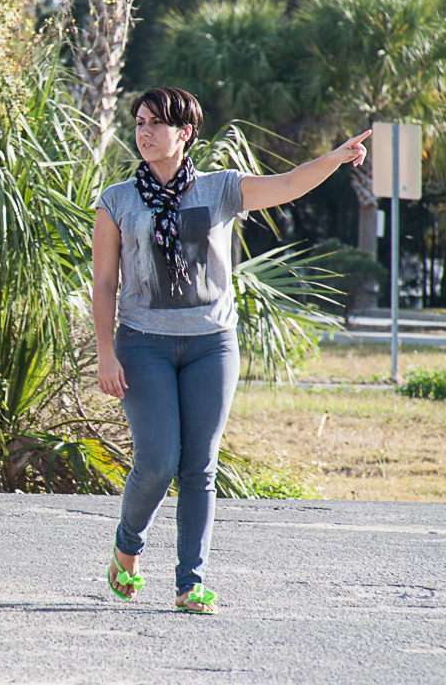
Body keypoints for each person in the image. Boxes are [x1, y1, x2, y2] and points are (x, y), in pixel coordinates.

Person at [92, 87, 369, 614]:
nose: (144, 132)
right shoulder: (117, 200)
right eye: (139, 123)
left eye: (156, 123)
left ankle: (189, 582)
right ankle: (126, 547)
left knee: (198, 465)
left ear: (185, 133)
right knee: (155, 460)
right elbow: (104, 284)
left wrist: (333, 159)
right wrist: (107, 351)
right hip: (142, 343)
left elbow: (287, 184)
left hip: (211, 345)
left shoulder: (219, 190)